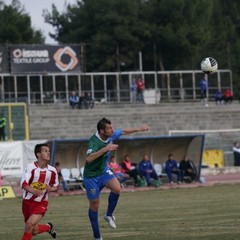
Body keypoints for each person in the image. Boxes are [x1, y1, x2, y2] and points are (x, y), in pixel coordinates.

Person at [83, 117, 149, 240]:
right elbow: (88, 159)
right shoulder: (94, 141)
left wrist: (139, 129)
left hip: (103, 171)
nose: (112, 130)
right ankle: (97, 237)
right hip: (91, 176)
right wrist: (105, 149)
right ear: (102, 131)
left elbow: (123, 131)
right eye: (109, 128)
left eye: (112, 127)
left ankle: (108, 215)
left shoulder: (111, 135)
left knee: (117, 188)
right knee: (94, 205)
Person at [20, 143, 59, 240]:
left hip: (41, 203)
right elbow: (24, 184)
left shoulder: (52, 170)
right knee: (34, 231)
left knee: (29, 225)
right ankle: (48, 227)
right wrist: (33, 191)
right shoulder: (30, 167)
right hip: (27, 203)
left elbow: (56, 186)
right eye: (45, 151)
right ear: (38, 154)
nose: (48, 153)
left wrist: (51, 189)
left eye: (48, 151)